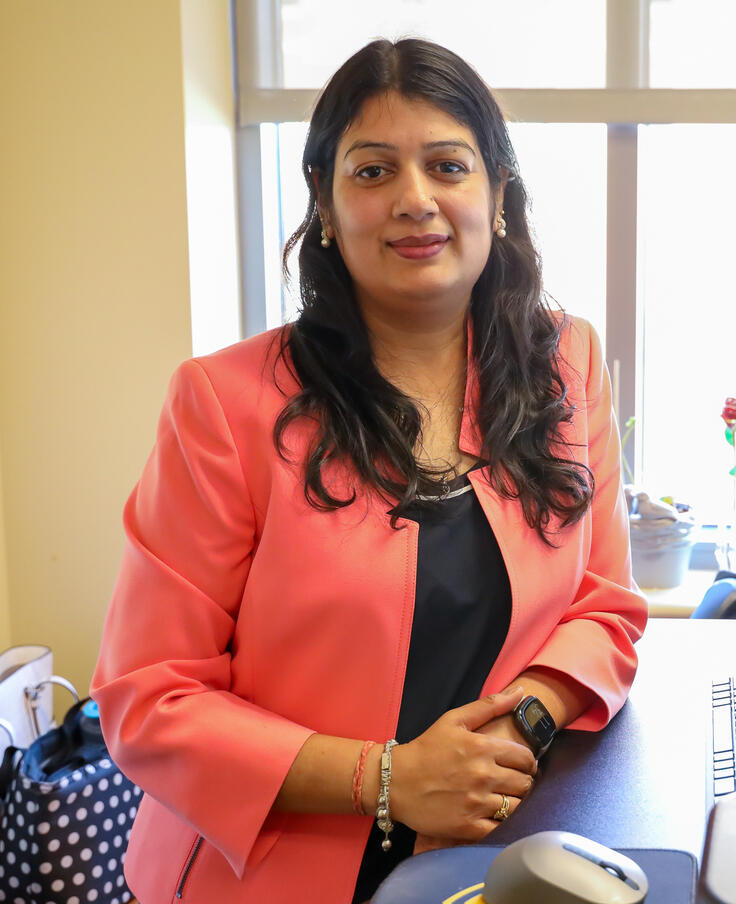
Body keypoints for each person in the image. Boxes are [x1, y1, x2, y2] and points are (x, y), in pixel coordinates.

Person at [91, 37, 646, 903]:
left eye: (448, 166)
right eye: (374, 171)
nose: (415, 201)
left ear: (498, 195)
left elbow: (604, 607)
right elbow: (147, 697)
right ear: (325, 201)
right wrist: (390, 779)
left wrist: (510, 734)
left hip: (484, 850)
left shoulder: (566, 363)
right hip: (266, 871)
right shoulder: (223, 403)